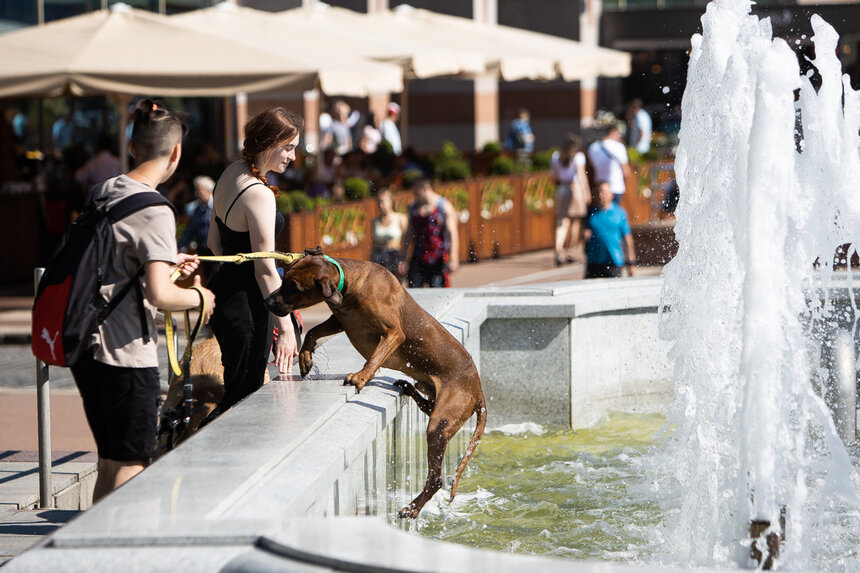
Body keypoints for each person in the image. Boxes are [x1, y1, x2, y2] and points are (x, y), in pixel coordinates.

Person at [70, 99, 216, 502]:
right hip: (125, 353)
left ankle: (91, 553)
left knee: (111, 461)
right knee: (133, 464)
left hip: (87, 347)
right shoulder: (155, 210)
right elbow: (160, 295)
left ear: (132, 147)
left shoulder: (105, 191)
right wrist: (200, 295)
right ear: (176, 152)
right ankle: (121, 554)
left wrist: (166, 266)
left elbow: (116, 270)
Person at [204, 107, 303, 424]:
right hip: (248, 306)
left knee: (237, 395)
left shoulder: (231, 172)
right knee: (242, 407)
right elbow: (264, 268)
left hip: (225, 296)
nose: (292, 157)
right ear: (269, 143)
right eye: (288, 148)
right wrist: (285, 325)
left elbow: (214, 243)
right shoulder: (259, 194)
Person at [398, 179, 459, 288]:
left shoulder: (444, 206)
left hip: (438, 257)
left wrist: (454, 257)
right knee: (414, 291)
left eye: (417, 193)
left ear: (426, 189)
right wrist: (404, 258)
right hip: (418, 255)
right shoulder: (413, 208)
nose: (415, 196)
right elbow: (408, 234)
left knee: (437, 292)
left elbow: (452, 234)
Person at [550, 134, 591, 267]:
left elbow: (553, 176)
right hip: (575, 188)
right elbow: (581, 175)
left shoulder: (556, 156)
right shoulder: (578, 157)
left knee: (562, 221)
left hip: (562, 188)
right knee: (575, 220)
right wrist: (587, 192)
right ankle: (571, 251)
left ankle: (558, 248)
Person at [584, 181, 637, 279]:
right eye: (599, 192)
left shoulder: (620, 213)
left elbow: (627, 239)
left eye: (604, 192)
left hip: (614, 262)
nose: (601, 195)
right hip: (594, 262)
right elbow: (584, 235)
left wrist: (631, 263)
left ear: (611, 195)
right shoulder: (591, 213)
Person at [587, 124, 633, 205]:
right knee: (613, 215)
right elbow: (626, 171)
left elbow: (591, 167)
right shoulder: (618, 146)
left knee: (601, 215)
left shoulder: (592, 147)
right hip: (615, 187)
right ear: (612, 132)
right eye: (619, 134)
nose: (620, 137)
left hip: (599, 187)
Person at [371, 188, 408, 280]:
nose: (381, 205)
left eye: (383, 202)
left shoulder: (400, 218)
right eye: (379, 202)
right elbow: (373, 244)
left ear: (391, 202)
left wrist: (404, 260)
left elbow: (407, 242)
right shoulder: (375, 221)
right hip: (379, 256)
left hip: (394, 256)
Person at [177, 175, 215, 254]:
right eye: (196, 191)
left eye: (200, 191)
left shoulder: (218, 207)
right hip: (203, 250)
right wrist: (178, 247)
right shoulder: (198, 210)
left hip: (217, 251)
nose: (197, 194)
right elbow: (190, 231)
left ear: (209, 191)